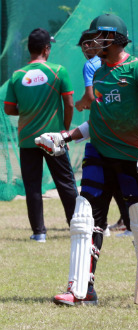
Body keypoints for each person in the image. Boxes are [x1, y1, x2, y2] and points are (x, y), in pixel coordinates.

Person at [35, 13, 138, 306]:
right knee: (84, 219)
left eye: (100, 36)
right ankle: (81, 290)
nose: (92, 41)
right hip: (98, 153)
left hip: (131, 158)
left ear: (116, 38)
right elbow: (96, 121)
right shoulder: (97, 72)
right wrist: (66, 137)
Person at [3, 28, 78, 243]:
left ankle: (39, 233)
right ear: (46, 49)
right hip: (54, 138)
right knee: (65, 183)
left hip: (27, 139)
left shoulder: (17, 76)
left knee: (32, 186)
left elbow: (9, 109)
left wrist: (26, 111)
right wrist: (64, 130)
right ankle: (75, 227)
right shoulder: (59, 71)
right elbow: (70, 103)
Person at [75, 30, 130, 236]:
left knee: (97, 181)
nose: (87, 48)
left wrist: (81, 104)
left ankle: (102, 225)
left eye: (89, 43)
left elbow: (90, 98)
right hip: (123, 129)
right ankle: (126, 222)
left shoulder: (91, 66)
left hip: (103, 131)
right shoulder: (128, 63)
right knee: (120, 179)